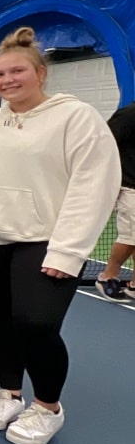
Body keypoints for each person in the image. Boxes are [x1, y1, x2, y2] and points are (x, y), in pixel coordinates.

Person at [0, 27, 119, 444]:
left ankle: (48, 407)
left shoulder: (76, 117)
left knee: (37, 323)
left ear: (41, 73)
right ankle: (9, 391)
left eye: (17, 71)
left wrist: (68, 251)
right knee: (1, 317)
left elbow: (94, 185)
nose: (7, 80)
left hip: (45, 242)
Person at [94, 101, 135, 301]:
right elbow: (104, 145)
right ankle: (107, 277)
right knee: (130, 238)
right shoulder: (129, 114)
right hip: (132, 187)